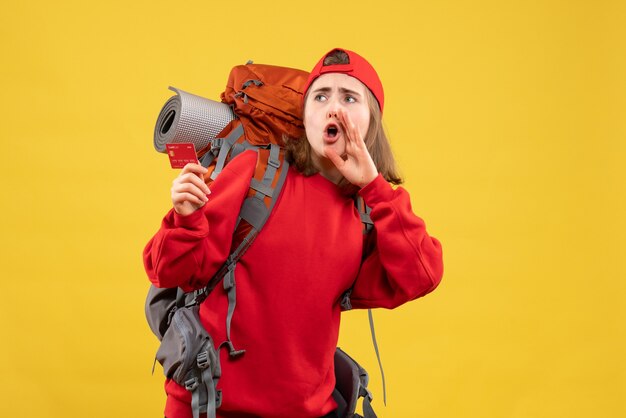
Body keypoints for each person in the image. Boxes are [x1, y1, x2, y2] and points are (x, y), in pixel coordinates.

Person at [143, 48, 444, 418]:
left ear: (371, 122)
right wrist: (186, 219)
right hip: (209, 406)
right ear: (306, 116)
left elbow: (421, 275)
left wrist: (374, 187)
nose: (333, 107)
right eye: (321, 96)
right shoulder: (254, 171)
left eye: (349, 97)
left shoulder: (368, 211)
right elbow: (172, 272)